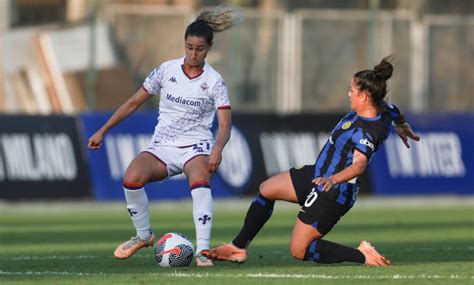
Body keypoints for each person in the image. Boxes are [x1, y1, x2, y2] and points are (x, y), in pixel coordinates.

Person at [202, 57, 420, 266]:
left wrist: (333, 180)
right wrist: (402, 125)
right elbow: (395, 112)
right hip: (317, 175)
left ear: (364, 97)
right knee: (267, 189)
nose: (348, 94)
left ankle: (361, 255)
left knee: (299, 250)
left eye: (352, 91)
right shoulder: (383, 110)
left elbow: (359, 165)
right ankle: (238, 248)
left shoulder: (366, 131)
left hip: (334, 191)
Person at [87, 6, 244, 267]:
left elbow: (225, 124)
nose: (193, 54)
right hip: (162, 146)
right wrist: (103, 130)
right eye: (189, 47)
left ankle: (203, 251)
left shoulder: (214, 81)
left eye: (200, 49)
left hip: (197, 146)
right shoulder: (166, 70)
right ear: (184, 44)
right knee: (131, 178)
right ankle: (144, 235)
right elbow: (133, 103)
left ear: (209, 48)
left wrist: (217, 149)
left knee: (200, 179)